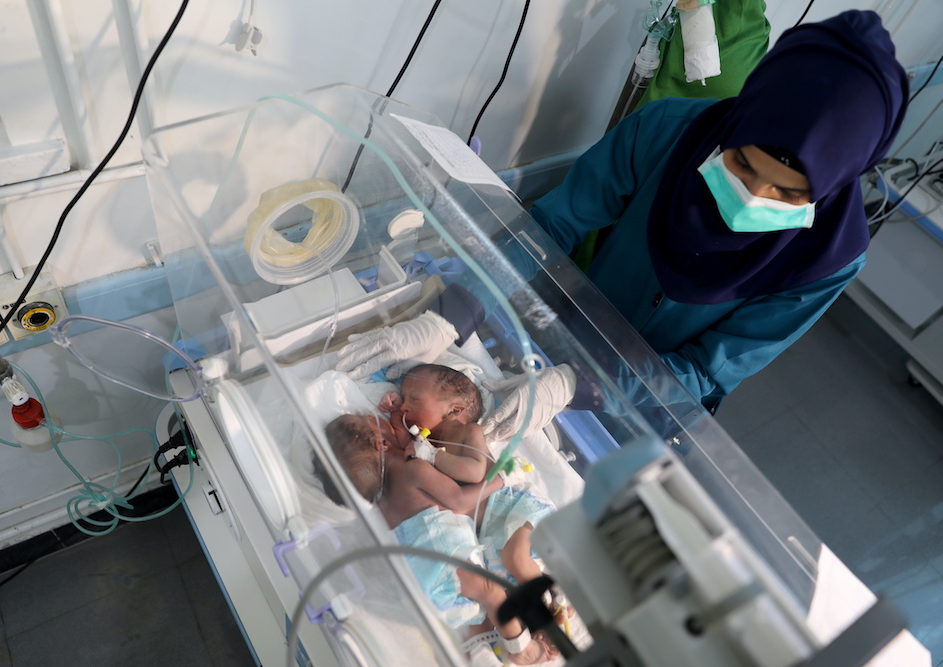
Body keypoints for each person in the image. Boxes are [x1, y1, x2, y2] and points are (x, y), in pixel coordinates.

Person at [338, 10, 909, 419]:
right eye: (740, 164)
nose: (752, 198)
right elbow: (550, 227)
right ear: (737, 124)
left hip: (654, 395)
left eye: (786, 195)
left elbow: (708, 369)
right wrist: (454, 310)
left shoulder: (829, 259)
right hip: (562, 320)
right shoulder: (667, 131)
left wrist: (583, 385)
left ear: (834, 185)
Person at [314, 413, 559, 664]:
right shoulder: (414, 470)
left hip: (415, 574)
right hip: (444, 554)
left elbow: (399, 440)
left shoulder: (382, 502)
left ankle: (477, 650)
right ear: (382, 443)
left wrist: (398, 419)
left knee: (478, 613)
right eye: (378, 421)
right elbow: (460, 499)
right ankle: (520, 647)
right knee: (491, 592)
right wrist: (502, 478)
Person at [379, 363, 489, 483]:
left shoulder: (470, 432)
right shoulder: (421, 436)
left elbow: (475, 473)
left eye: (414, 399)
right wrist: (395, 409)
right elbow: (402, 442)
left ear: (453, 411)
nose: (404, 407)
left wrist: (432, 454)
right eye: (404, 399)